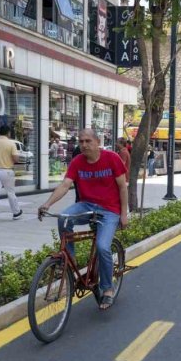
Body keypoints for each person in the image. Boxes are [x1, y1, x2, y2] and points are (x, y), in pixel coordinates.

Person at [38, 129, 129, 310]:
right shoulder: (77, 162)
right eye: (81, 141)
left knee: (103, 247)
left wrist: (124, 214)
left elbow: (123, 187)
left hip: (109, 210)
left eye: (88, 141)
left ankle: (107, 288)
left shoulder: (112, 158)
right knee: (64, 218)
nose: (84, 145)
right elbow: (65, 185)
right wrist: (47, 204)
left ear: (97, 142)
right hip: (86, 206)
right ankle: (68, 260)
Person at [0, 124, 22, 224]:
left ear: (0, 132)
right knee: (10, 192)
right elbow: (16, 158)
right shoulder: (11, 144)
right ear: (8, 133)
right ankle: (16, 213)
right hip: (7, 171)